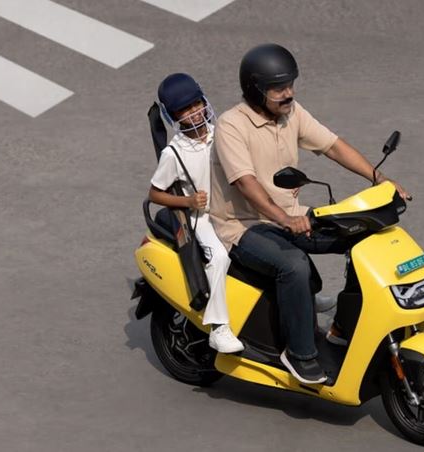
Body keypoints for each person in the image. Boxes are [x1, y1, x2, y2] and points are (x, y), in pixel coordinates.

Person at [210, 44, 410, 384]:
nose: (288, 93)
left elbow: (333, 146)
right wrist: (285, 219)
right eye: (278, 88)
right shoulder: (232, 125)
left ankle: (343, 329)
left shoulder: (291, 113)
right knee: (294, 266)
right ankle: (299, 355)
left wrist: (380, 178)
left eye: (290, 84)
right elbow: (245, 183)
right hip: (243, 227)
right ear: (255, 90)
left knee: (362, 232)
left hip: (291, 215)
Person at [149, 73, 244, 354]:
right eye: (185, 109)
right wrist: (189, 201)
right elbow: (154, 194)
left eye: (196, 104)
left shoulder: (222, 132)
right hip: (201, 218)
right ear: (173, 116)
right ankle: (219, 328)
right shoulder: (174, 153)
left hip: (233, 208)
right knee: (219, 257)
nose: (194, 112)